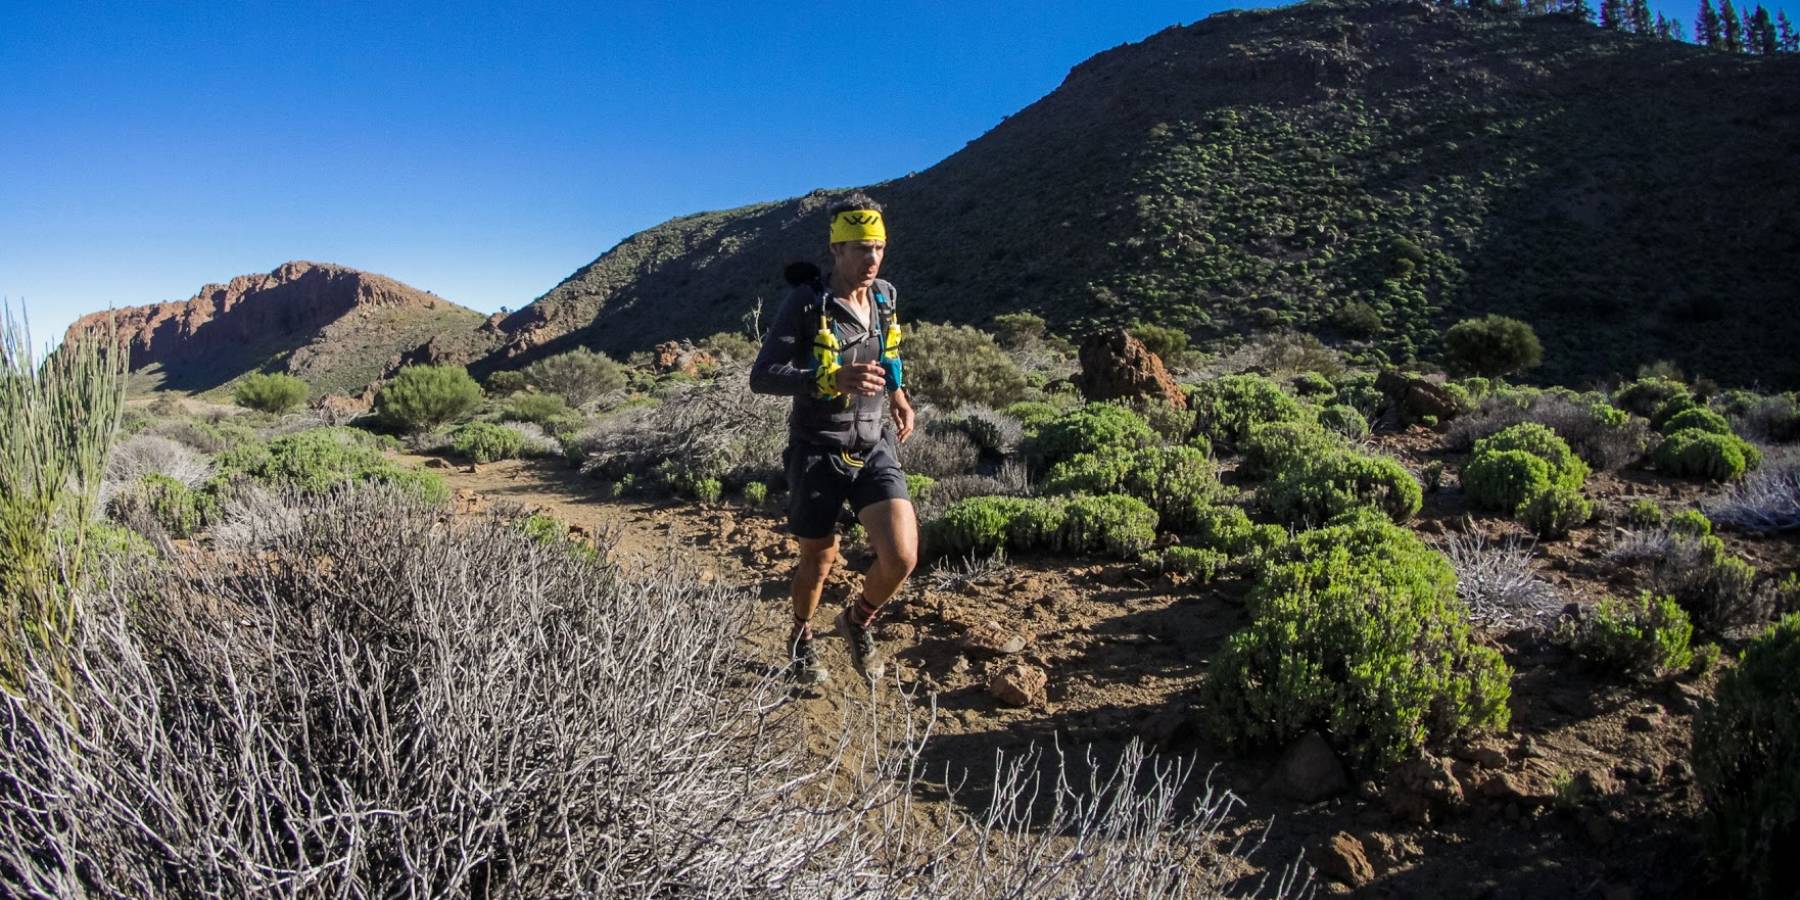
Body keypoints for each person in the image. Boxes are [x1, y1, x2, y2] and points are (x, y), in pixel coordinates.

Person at [749, 193, 919, 686]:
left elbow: (887, 355)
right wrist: (827, 379)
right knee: (819, 560)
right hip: (817, 448)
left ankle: (857, 621)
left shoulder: (884, 296)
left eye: (878, 247)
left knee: (902, 556)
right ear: (836, 249)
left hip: (874, 442)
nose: (872, 258)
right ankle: (801, 637)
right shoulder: (807, 303)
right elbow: (763, 376)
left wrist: (899, 396)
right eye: (861, 248)